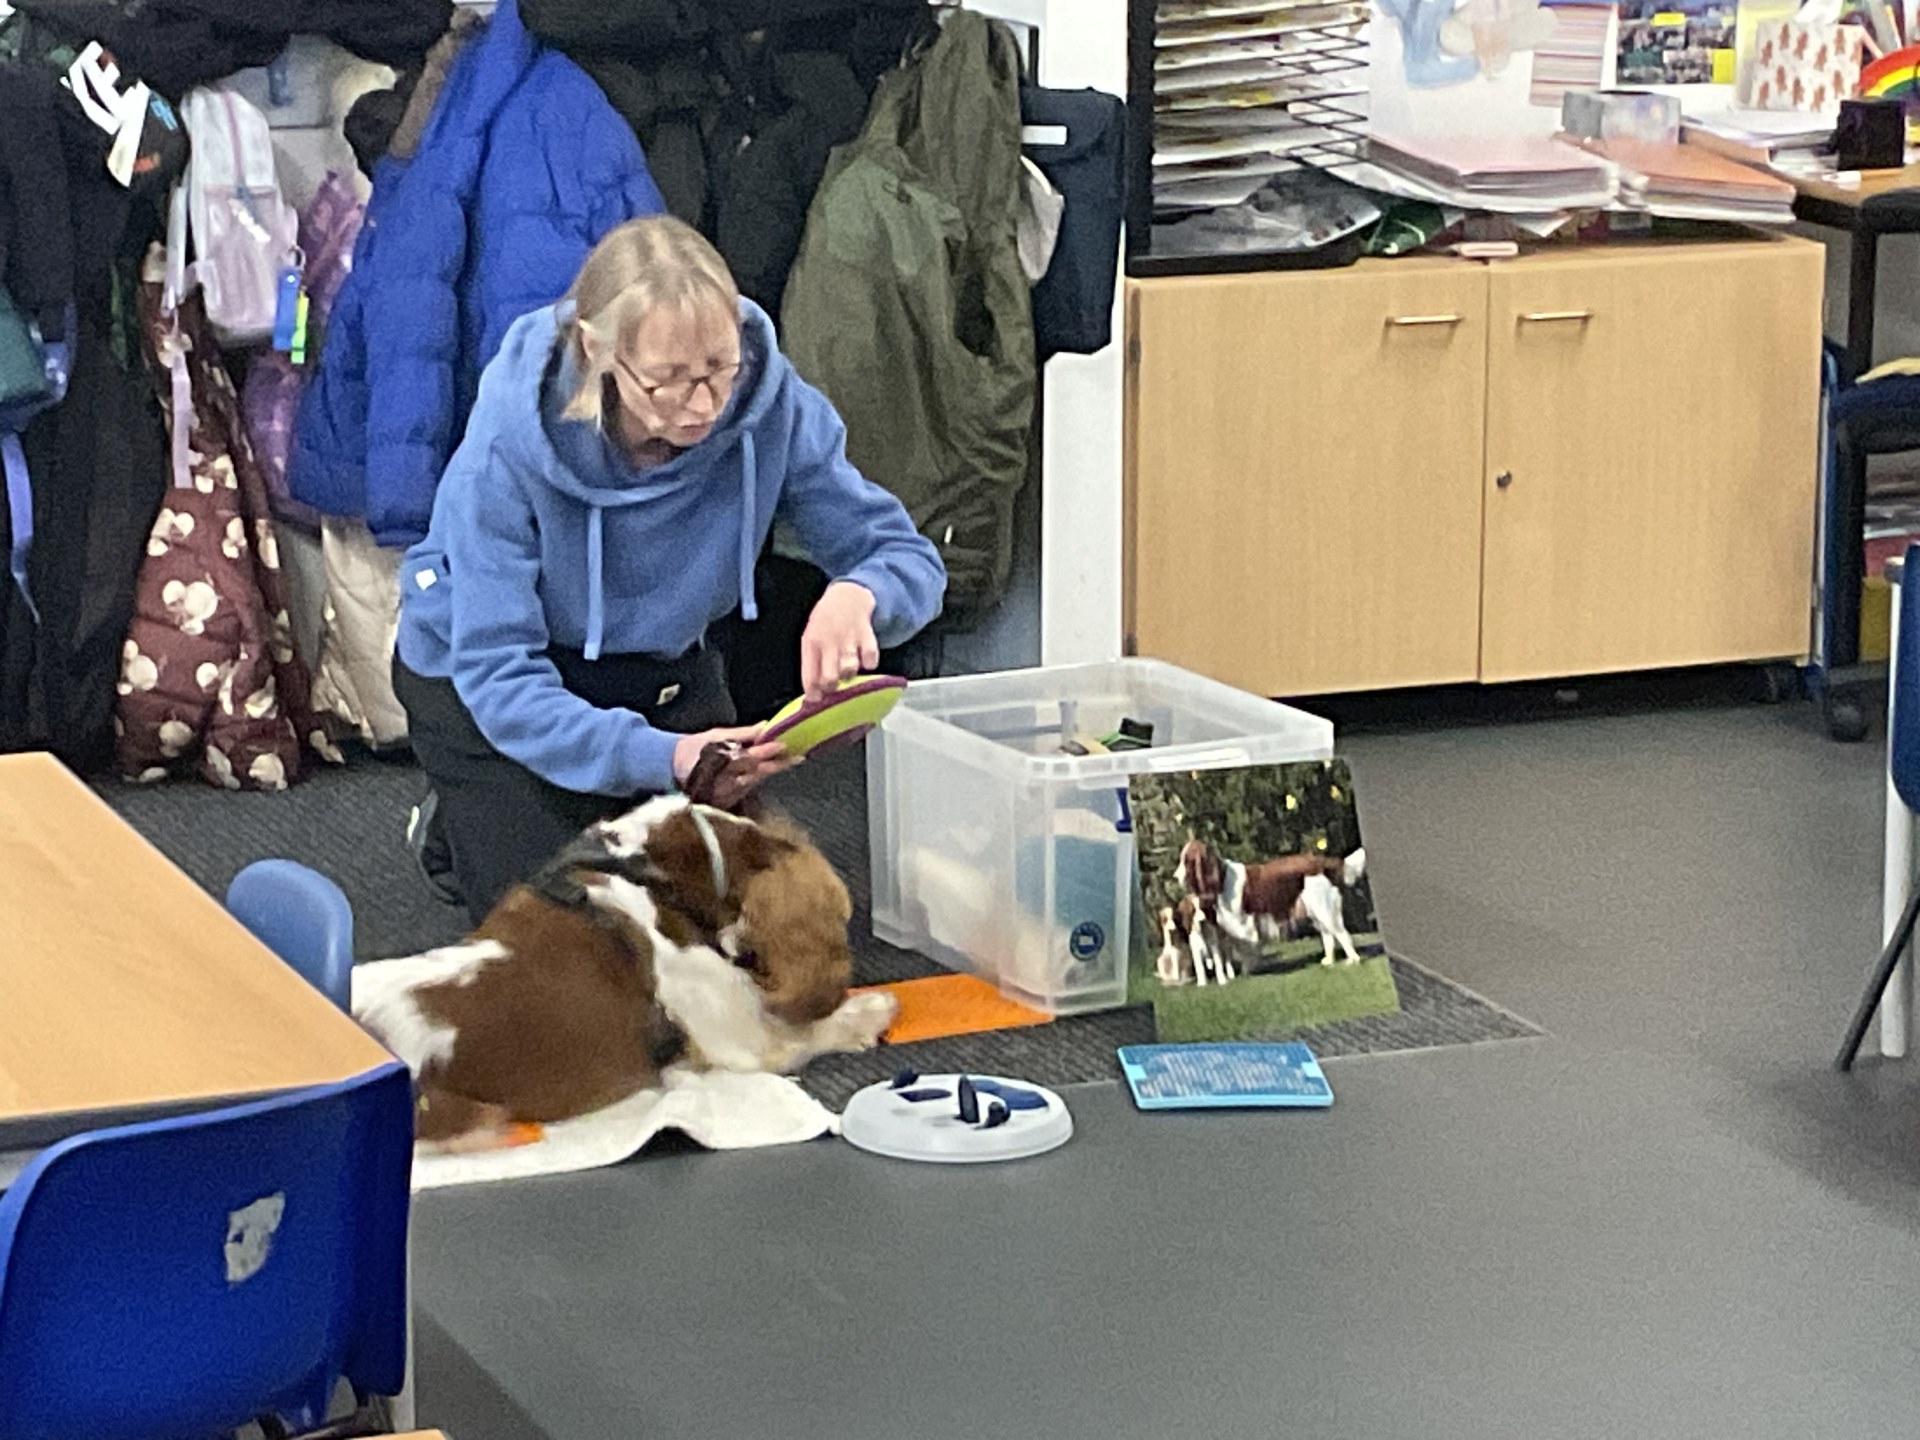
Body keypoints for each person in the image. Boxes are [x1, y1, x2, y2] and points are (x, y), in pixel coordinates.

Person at [392, 216, 946, 921]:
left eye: (720, 369)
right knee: (574, 949)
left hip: (659, 670)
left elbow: (908, 558)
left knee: (750, 927)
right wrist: (669, 758)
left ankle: (588, 802)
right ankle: (460, 823)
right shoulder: (506, 449)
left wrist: (861, 593)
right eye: (668, 383)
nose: (705, 406)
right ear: (597, 352)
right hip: (488, 689)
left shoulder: (773, 407)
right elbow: (501, 680)